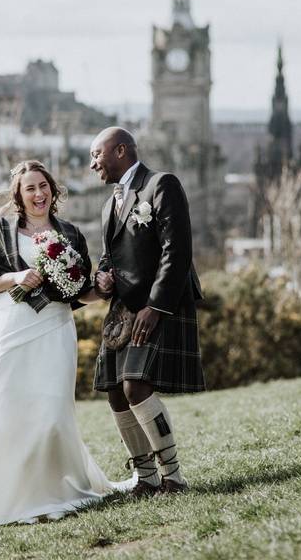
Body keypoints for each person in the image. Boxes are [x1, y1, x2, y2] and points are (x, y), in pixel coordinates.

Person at [0, 160, 132, 530]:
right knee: (8, 409)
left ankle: (54, 489)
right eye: (29, 188)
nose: (38, 194)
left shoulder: (71, 234)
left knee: (52, 410)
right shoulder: (3, 231)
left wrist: (102, 289)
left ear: (53, 190)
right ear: (19, 195)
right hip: (12, 329)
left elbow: (78, 294)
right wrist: (17, 275)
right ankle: (4, 496)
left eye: (43, 186)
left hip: (55, 328)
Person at [88, 127, 205, 497]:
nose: (93, 165)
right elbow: (109, 257)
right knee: (114, 391)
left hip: (160, 304)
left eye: (97, 155)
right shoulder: (109, 204)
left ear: (120, 150)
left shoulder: (160, 185)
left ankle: (173, 477)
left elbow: (178, 250)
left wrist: (156, 306)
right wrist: (102, 277)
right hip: (124, 306)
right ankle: (146, 478)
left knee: (136, 385)